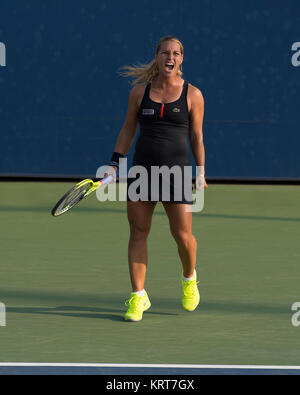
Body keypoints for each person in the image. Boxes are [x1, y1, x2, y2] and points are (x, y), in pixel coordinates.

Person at [106, 35, 207, 322]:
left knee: (182, 234)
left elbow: (196, 135)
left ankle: (189, 278)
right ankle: (138, 296)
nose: (170, 58)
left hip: (176, 172)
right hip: (142, 171)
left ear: (181, 59)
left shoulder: (193, 95)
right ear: (157, 56)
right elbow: (128, 130)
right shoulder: (139, 93)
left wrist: (200, 171)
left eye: (176, 53)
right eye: (165, 53)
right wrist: (115, 163)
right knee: (138, 232)